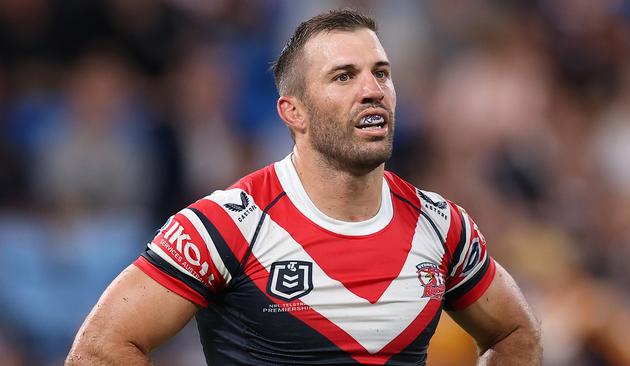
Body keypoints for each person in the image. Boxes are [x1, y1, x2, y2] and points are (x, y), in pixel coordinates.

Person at [66, 9, 541, 365]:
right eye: (344, 76)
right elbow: (100, 347)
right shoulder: (227, 225)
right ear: (294, 112)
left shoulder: (442, 227)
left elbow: (517, 334)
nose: (372, 89)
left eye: (381, 72)